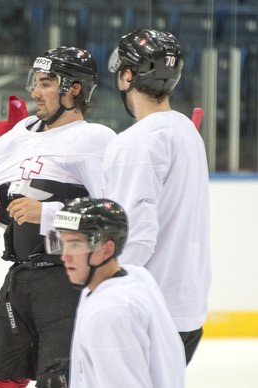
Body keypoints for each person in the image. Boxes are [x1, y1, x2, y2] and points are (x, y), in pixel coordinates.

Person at [0, 46, 117, 387]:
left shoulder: (93, 139)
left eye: (46, 83)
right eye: (36, 81)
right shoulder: (26, 136)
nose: (35, 91)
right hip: (20, 278)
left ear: (74, 90)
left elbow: (112, 218)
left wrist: (49, 213)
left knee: (59, 381)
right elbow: (9, 208)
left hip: (66, 283)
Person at [104, 28, 211, 363]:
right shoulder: (186, 132)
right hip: (187, 309)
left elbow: (135, 237)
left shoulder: (137, 142)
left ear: (126, 75)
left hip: (147, 311)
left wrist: (102, 293)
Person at [47, 197, 186, 388]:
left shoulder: (109, 311)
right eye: (62, 244)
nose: (65, 256)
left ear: (106, 249)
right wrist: (83, 369)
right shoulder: (137, 277)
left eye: (76, 244)